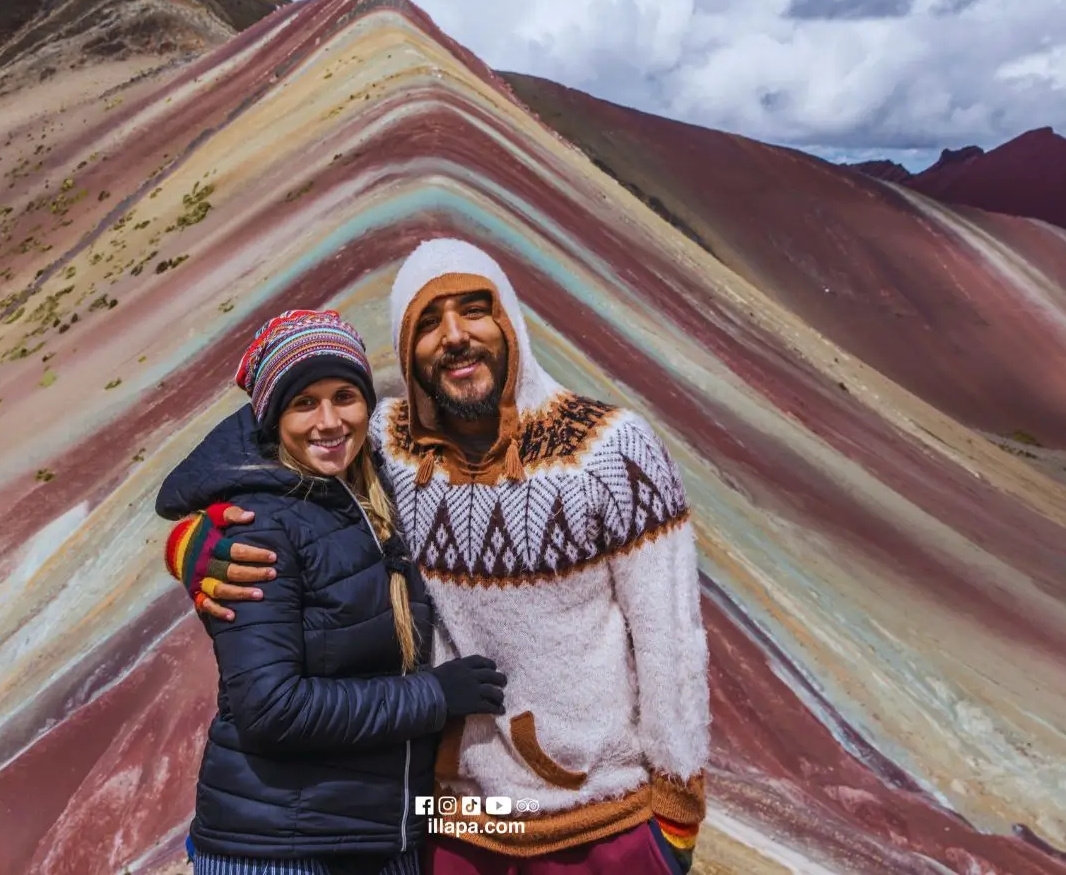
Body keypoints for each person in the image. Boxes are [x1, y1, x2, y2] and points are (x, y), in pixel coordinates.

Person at [161, 240, 710, 875]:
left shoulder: (612, 452)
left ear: (510, 323)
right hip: (450, 826)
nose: (454, 336)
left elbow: (670, 637)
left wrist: (676, 811)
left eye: (475, 309)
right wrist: (193, 543)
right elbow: (267, 444)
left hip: (598, 823)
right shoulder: (385, 450)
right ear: (405, 350)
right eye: (427, 321)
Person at [154, 308, 511, 875]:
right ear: (273, 417)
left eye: (345, 396)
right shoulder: (256, 525)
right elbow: (271, 709)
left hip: (372, 837)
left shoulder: (373, 491)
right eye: (303, 403)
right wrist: (435, 697)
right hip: (281, 852)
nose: (328, 421)